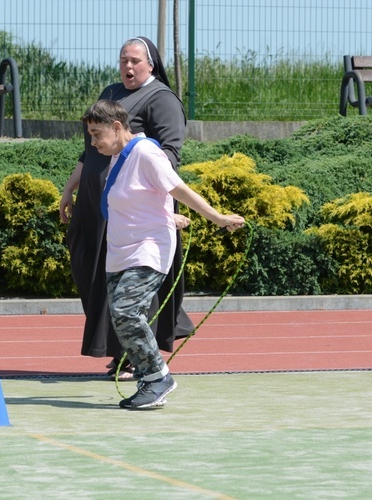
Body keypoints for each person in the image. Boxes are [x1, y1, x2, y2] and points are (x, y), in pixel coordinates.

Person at [81, 99, 245, 408]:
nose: (93, 142)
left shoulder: (145, 153)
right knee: (121, 318)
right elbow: (135, 202)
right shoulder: (119, 157)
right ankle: (149, 381)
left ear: (117, 127)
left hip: (148, 250)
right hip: (120, 253)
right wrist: (169, 217)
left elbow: (178, 188)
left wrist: (219, 218)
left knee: (128, 312)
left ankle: (158, 378)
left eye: (96, 133)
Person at [60, 36, 194, 380]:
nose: (129, 67)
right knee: (92, 271)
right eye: (123, 61)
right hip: (96, 203)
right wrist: (70, 187)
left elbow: (169, 156)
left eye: (135, 60)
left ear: (151, 63)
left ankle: (138, 359)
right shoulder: (110, 93)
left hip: (132, 206)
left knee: (133, 281)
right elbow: (89, 149)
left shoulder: (161, 99)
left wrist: (150, 197)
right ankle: (121, 350)